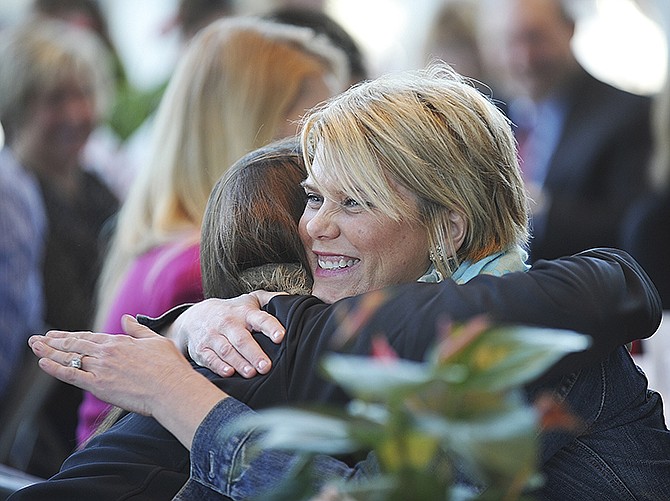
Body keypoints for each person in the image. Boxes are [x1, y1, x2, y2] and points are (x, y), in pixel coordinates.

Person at [15, 65, 669, 500]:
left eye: (352, 203)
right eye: (312, 197)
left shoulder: (525, 352)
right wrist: (190, 325)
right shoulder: (383, 336)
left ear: (449, 229)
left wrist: (177, 392)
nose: (313, 228)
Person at [76, 15, 348, 445]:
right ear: (256, 123)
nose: (330, 146)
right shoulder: (200, 265)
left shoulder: (166, 237)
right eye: (316, 123)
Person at [0, 16, 119, 476]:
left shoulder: (97, 187)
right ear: (17, 105)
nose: (76, 114)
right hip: (45, 435)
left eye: (83, 95)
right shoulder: (13, 201)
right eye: (55, 99)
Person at [477, 0, 653, 262]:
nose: (524, 58)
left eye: (536, 38)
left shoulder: (628, 115)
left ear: (570, 29)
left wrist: (540, 210)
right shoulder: (482, 113)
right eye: (509, 41)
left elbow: (639, 227)